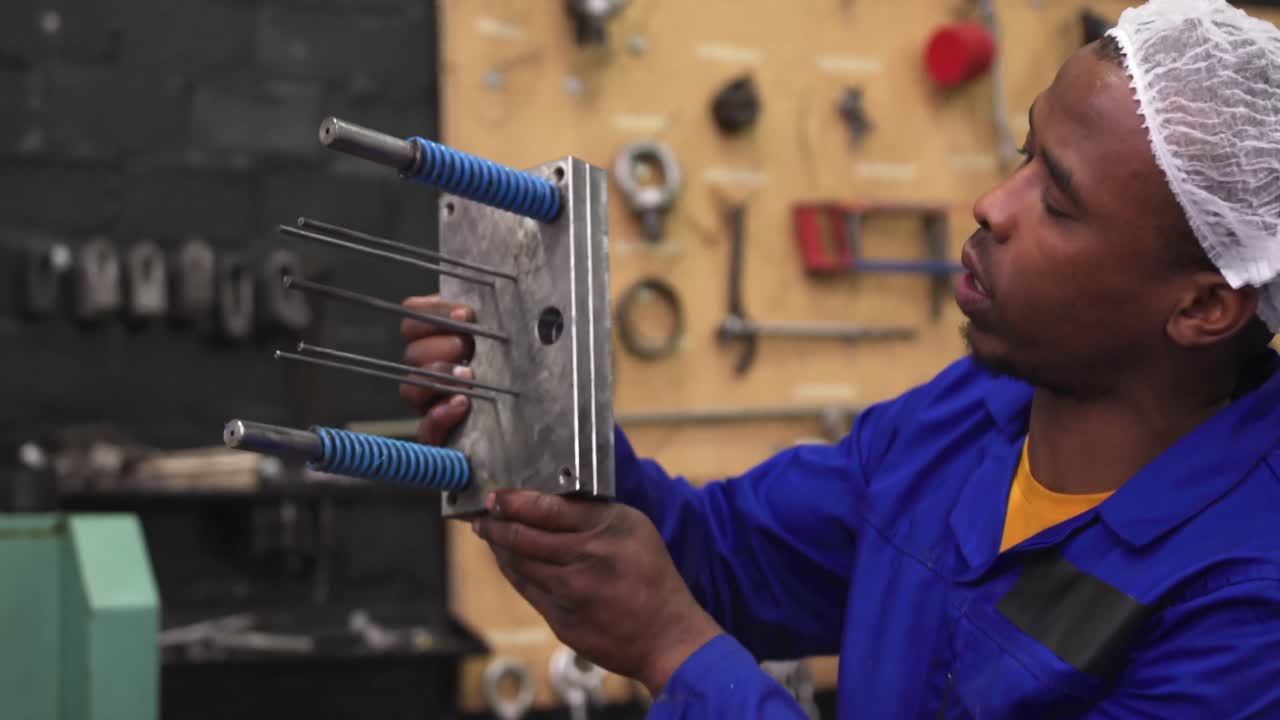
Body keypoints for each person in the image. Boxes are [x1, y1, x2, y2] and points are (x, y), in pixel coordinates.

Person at [399, 0, 1280, 716]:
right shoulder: (966, 420)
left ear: (1203, 306)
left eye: (1057, 200)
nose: (991, 204)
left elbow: (677, 614)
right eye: (1022, 155)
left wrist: (675, 651)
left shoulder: (1249, 607)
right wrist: (541, 419)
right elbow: (723, 559)